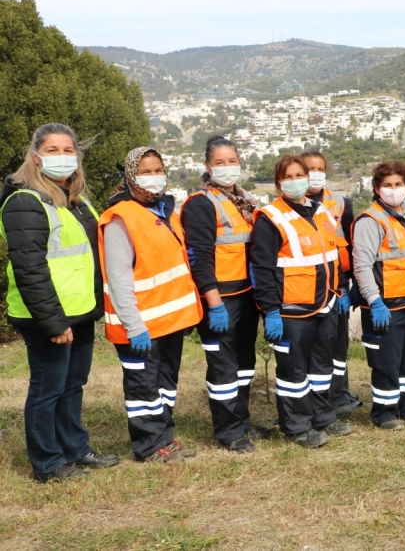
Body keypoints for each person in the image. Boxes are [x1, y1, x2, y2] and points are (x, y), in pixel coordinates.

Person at [0, 123, 119, 482]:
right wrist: (53, 322)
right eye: (53, 150)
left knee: (72, 384)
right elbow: (29, 268)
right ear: (35, 156)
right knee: (47, 388)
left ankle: (75, 449)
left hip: (79, 310)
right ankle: (48, 463)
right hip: (47, 315)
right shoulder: (25, 201)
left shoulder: (75, 200)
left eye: (68, 150)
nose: (62, 157)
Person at [99, 147, 204, 464]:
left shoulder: (165, 212)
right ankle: (148, 445)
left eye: (158, 169)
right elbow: (118, 278)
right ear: (131, 176)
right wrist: (134, 326)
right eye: (146, 170)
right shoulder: (120, 219)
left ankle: (164, 438)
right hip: (139, 325)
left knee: (164, 384)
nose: (154, 175)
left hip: (168, 322)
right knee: (144, 387)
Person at [250, 155, 352, 447]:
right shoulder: (271, 218)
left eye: (300, 175)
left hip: (324, 305)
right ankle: (296, 426)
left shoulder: (320, 213)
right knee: (294, 373)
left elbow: (332, 256)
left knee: (322, 368)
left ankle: (323, 416)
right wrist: (270, 311)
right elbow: (263, 269)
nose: (295, 181)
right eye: (289, 176)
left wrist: (341, 289)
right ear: (279, 182)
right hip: (291, 311)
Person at [179, 137, 266, 453]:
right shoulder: (201, 204)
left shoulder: (244, 201)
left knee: (244, 362)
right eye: (220, 162)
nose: (227, 167)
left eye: (232, 161)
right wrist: (213, 303)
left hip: (246, 294)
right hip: (220, 298)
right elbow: (199, 257)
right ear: (207, 166)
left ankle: (242, 421)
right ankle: (228, 431)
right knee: (223, 367)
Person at [352, 160, 405, 430]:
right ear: (377, 189)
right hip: (386, 306)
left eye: (399, 184)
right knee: (387, 362)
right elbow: (361, 266)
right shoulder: (370, 220)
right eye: (387, 185)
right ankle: (384, 412)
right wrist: (374, 302)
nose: (394, 189)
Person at [301, 150, 360, 418]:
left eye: (320, 168)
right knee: (315, 345)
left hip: (339, 284)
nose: (315, 174)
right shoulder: (288, 204)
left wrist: (349, 285)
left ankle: (339, 395)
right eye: (308, 168)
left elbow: (351, 245)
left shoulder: (341, 202)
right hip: (307, 287)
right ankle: (316, 397)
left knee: (339, 345)